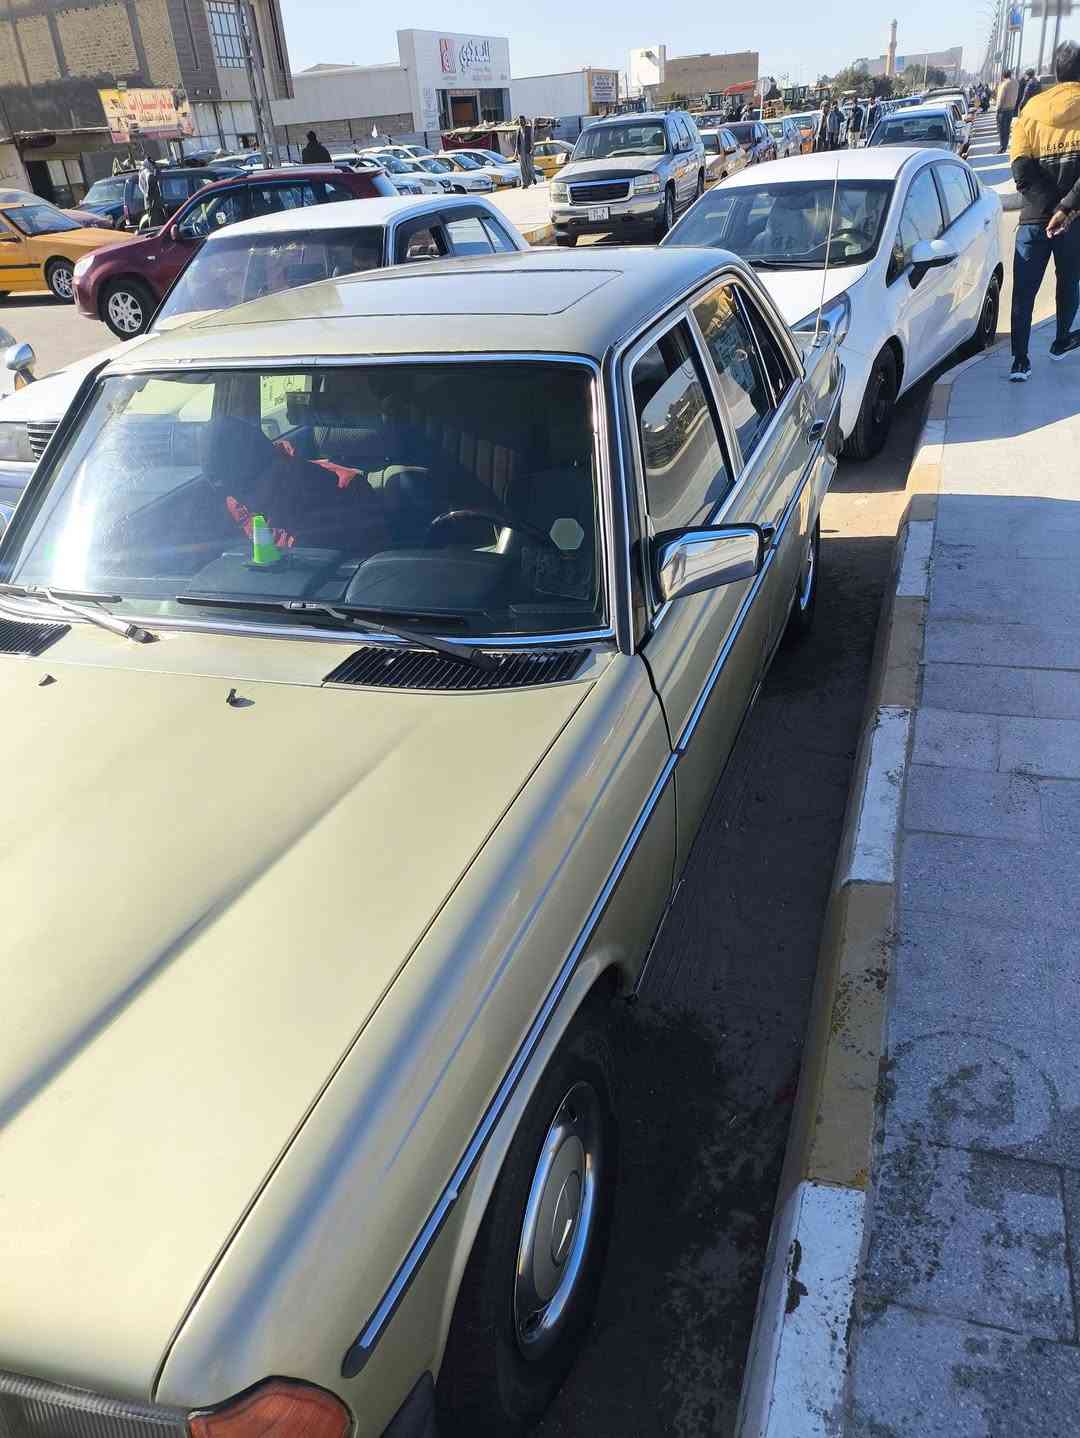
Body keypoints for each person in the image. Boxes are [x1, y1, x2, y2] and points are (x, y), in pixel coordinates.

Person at [1007, 41, 1080, 380]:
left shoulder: (1030, 110)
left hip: (1033, 220)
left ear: (1056, 71)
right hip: (1073, 220)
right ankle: (1061, 341)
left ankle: (1020, 361)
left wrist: (1049, 207)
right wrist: (1064, 209)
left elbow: (1021, 172)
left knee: (1024, 292)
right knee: (1069, 282)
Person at [996, 68, 1020, 151]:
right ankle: (1005, 145)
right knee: (1007, 129)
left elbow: (1001, 98)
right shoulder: (1016, 83)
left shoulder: (1004, 84)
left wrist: (998, 108)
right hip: (1011, 109)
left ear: (1003, 75)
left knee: (1001, 129)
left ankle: (1002, 147)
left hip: (1003, 110)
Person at [137, 156, 164, 229]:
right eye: (152, 165)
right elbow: (151, 180)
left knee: (154, 223)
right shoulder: (147, 172)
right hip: (153, 203)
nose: (153, 166)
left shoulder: (142, 172)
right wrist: (157, 172)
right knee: (156, 225)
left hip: (150, 203)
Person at [516, 114, 535, 189]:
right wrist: (516, 153)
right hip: (521, 152)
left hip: (528, 150)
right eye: (519, 121)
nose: (520, 122)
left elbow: (532, 139)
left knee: (529, 167)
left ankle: (532, 177)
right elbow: (517, 142)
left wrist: (532, 149)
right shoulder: (518, 130)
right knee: (522, 168)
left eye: (522, 121)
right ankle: (525, 183)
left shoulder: (529, 129)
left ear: (524, 121)